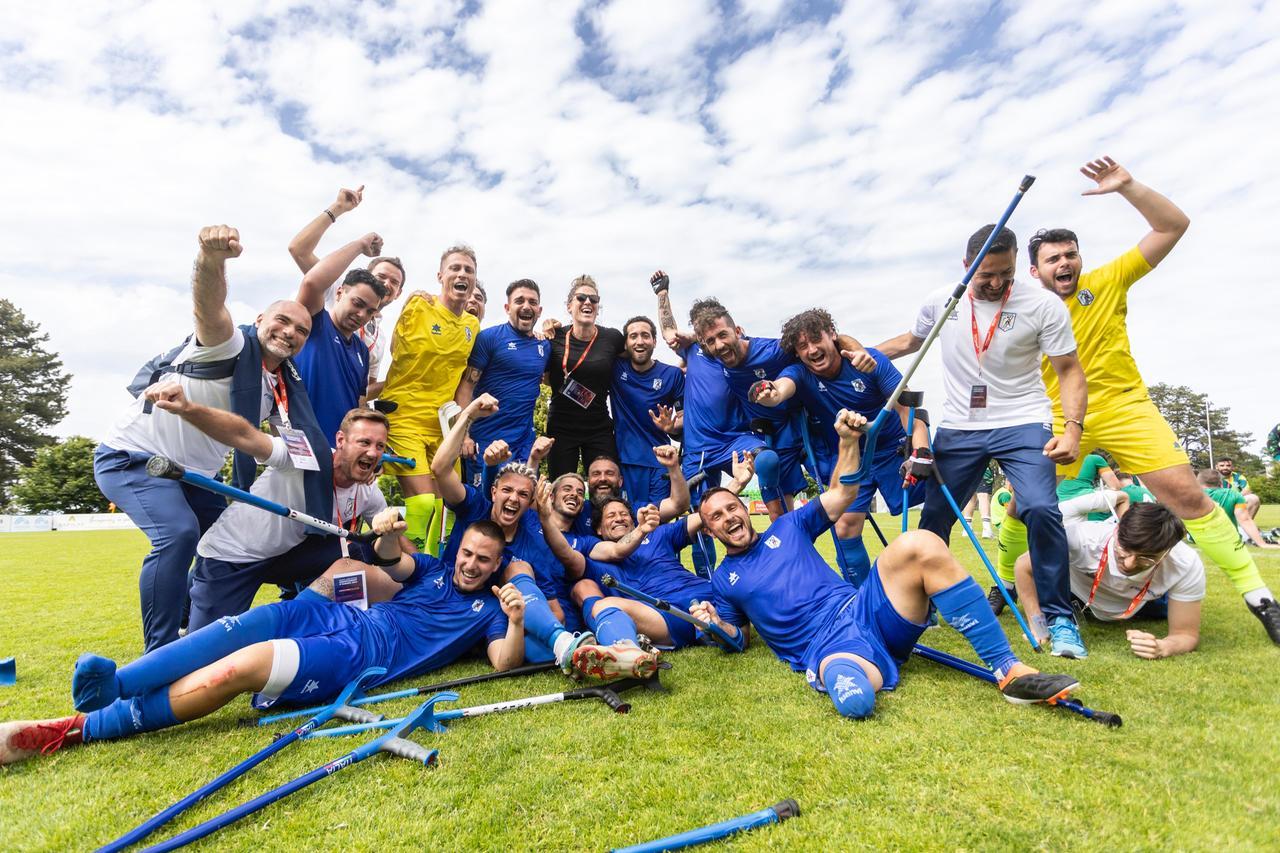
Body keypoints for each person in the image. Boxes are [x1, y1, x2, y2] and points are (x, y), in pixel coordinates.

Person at [0, 517, 538, 767]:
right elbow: (392, 556)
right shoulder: (434, 570)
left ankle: (78, 729)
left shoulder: (486, 612)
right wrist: (388, 530)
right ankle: (115, 684)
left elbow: (502, 663)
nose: (470, 563)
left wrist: (514, 620)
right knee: (238, 626)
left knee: (243, 665)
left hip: (363, 656)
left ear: (495, 566)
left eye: (482, 559)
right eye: (467, 552)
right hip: (331, 617)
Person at [1021, 154, 1280, 644]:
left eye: (1070, 254)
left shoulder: (1108, 280)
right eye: (1053, 258)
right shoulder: (1022, 308)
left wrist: (1127, 186)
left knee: (1185, 495)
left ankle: (1261, 599)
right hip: (1055, 416)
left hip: (1122, 405)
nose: (1064, 263)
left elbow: (1173, 225)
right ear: (1034, 272)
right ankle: (1008, 585)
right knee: (1022, 504)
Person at [689, 408, 1081, 720]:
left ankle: (1008, 669)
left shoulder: (789, 525)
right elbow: (737, 638)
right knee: (855, 703)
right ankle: (851, 669)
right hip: (827, 645)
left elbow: (843, 492)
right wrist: (714, 625)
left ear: (745, 509)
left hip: (866, 608)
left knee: (921, 543)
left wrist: (847, 441)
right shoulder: (725, 579)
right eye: (717, 517)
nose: (728, 518)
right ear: (709, 531)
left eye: (731, 508)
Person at [95, 225, 320, 651]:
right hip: (134, 457)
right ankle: (158, 653)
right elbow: (209, 306)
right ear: (259, 322)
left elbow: (281, 446)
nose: (290, 332)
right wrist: (210, 258)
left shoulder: (281, 390)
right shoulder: (229, 345)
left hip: (195, 476)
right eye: (282, 320)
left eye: (302, 330)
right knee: (177, 535)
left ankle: (187, 624)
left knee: (222, 540)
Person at [875, 224, 1090, 658]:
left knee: (1040, 507)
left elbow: (1068, 369)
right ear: (966, 265)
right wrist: (859, 354)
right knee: (935, 513)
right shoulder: (941, 300)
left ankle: (1060, 617)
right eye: (985, 275)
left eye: (1005, 274)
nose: (995, 283)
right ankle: (920, 603)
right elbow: (908, 343)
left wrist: (1072, 428)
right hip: (960, 425)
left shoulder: (1043, 304)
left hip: (1023, 419)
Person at [430, 393, 657, 676]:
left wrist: (516, 614)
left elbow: (557, 612)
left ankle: (606, 652)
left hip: (500, 616)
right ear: (493, 492)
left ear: (531, 504)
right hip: (456, 599)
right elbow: (440, 469)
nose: (513, 499)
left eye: (523, 495)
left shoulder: (536, 544)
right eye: (507, 491)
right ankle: (585, 647)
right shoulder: (475, 506)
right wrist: (468, 416)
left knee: (530, 631)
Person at [146, 383, 396, 631]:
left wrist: (421, 572)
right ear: (341, 440)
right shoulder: (304, 455)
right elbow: (245, 436)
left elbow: (392, 538)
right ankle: (190, 603)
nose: (373, 453)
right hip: (233, 557)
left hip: (285, 558)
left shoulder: (367, 489)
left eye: (380, 446)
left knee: (361, 547)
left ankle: (324, 613)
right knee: (207, 649)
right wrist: (187, 408)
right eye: (364, 442)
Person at [751, 307, 930, 586]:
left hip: (892, 449)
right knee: (845, 528)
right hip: (850, 456)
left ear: (832, 334)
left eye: (815, 339)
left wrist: (921, 452)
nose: (811, 349)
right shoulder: (799, 372)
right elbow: (780, 389)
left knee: (932, 514)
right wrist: (769, 394)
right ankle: (862, 599)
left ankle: (927, 588)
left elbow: (910, 413)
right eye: (802, 346)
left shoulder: (870, 361)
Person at [541, 450, 751, 654]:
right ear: (598, 529)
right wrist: (546, 518)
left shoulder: (659, 534)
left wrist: (738, 482)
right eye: (611, 516)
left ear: (634, 521)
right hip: (667, 615)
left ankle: (719, 627)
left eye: (624, 514)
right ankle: (626, 652)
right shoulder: (596, 558)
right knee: (603, 601)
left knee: (735, 619)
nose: (619, 518)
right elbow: (568, 555)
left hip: (707, 595)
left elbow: (704, 515)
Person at [653, 272, 763, 576]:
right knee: (700, 517)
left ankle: (777, 545)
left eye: (717, 333)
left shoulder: (746, 353)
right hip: (700, 448)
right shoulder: (694, 351)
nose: (714, 341)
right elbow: (669, 331)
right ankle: (708, 581)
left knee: (768, 461)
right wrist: (662, 293)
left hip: (736, 439)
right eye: (706, 336)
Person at [1014, 490, 1204, 660]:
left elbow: (1185, 634)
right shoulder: (1081, 538)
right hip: (1078, 597)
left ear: (1167, 551)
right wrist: (1038, 624)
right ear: (1117, 529)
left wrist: (1164, 647)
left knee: (1165, 611)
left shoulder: (1185, 562)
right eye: (1123, 550)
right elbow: (1024, 567)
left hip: (1146, 602)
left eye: (1146, 559)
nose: (1129, 564)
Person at [380, 246, 481, 555]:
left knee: (447, 510)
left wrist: (463, 429)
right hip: (404, 417)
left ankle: (433, 575)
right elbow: (396, 351)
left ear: (474, 282)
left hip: (442, 426)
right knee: (423, 503)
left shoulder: (472, 326)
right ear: (441, 275)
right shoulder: (418, 306)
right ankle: (390, 562)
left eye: (468, 270)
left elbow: (465, 381)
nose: (462, 274)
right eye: (455, 268)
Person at [286, 184, 407, 399]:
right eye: (381, 277)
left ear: (398, 293)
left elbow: (361, 392)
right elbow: (299, 250)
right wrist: (338, 208)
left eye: (394, 282)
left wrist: (402, 379)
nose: (387, 284)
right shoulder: (334, 287)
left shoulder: (378, 340)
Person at [291, 231, 387, 444]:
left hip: (339, 454)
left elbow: (359, 405)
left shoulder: (362, 351)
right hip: (299, 445)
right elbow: (312, 282)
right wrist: (360, 244)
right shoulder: (314, 321)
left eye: (370, 311)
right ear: (339, 293)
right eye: (357, 303)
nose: (362, 315)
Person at [454, 279, 550, 488]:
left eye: (532, 302)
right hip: (487, 441)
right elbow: (465, 387)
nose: (526, 306)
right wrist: (464, 435)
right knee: (486, 507)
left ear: (539, 310)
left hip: (524, 443)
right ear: (508, 308)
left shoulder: (544, 346)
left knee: (521, 504)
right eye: (519, 301)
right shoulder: (489, 338)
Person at [544, 275, 626, 477]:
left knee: (605, 484)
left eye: (594, 299)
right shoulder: (554, 337)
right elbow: (541, 374)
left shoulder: (612, 338)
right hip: (561, 427)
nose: (588, 302)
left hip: (598, 427)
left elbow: (638, 357)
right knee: (561, 487)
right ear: (569, 306)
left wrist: (683, 359)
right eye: (581, 298)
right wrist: (543, 327)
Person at [611, 316, 685, 508]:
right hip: (622, 463)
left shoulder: (672, 375)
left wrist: (671, 427)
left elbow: (685, 419)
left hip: (659, 461)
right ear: (625, 343)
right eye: (633, 336)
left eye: (645, 335)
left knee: (656, 524)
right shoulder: (615, 367)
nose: (640, 341)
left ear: (654, 340)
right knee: (623, 522)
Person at [1197, 469, 1279, 550]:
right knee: (1245, 531)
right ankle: (1264, 538)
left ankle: (1262, 536)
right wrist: (1262, 544)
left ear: (1198, 483)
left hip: (1200, 538)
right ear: (1221, 483)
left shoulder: (1192, 494)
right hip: (1228, 537)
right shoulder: (1234, 494)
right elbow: (1245, 520)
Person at [1055, 452, 1120, 520]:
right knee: (1124, 496)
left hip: (1060, 502)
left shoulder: (1074, 461)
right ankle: (1123, 528)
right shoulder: (1097, 458)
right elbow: (1115, 487)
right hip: (1080, 498)